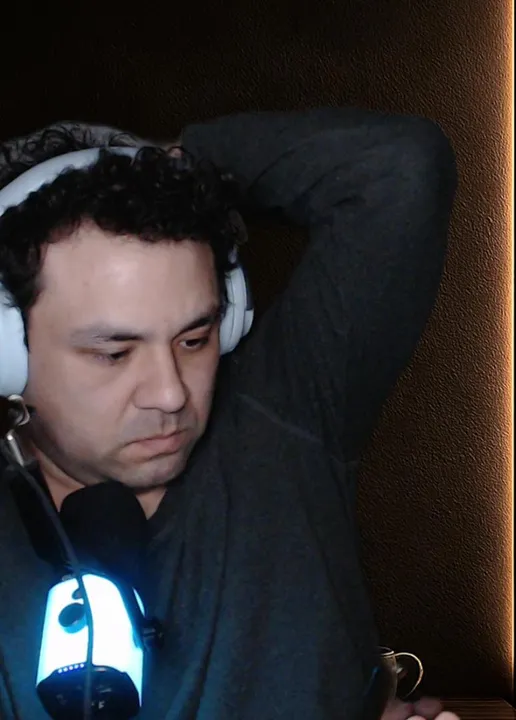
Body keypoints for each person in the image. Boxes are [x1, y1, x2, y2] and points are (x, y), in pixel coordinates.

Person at [0, 108, 460, 720]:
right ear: (10, 356)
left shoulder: (282, 418)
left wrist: (171, 165)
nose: (171, 394)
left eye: (195, 339)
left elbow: (398, 169)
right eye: (114, 353)